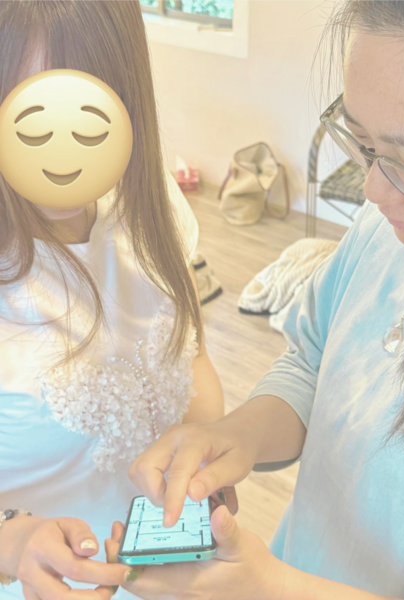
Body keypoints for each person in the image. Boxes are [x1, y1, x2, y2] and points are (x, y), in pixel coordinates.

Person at [106, 1, 404, 599]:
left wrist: (266, 587)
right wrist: (241, 434)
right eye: (363, 143)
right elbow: (311, 364)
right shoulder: (381, 233)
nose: (372, 190)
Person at [0, 2, 224, 599]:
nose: (62, 154)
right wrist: (13, 540)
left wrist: (205, 472)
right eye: (31, 120)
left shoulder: (152, 206)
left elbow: (190, 355)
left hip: (169, 570)